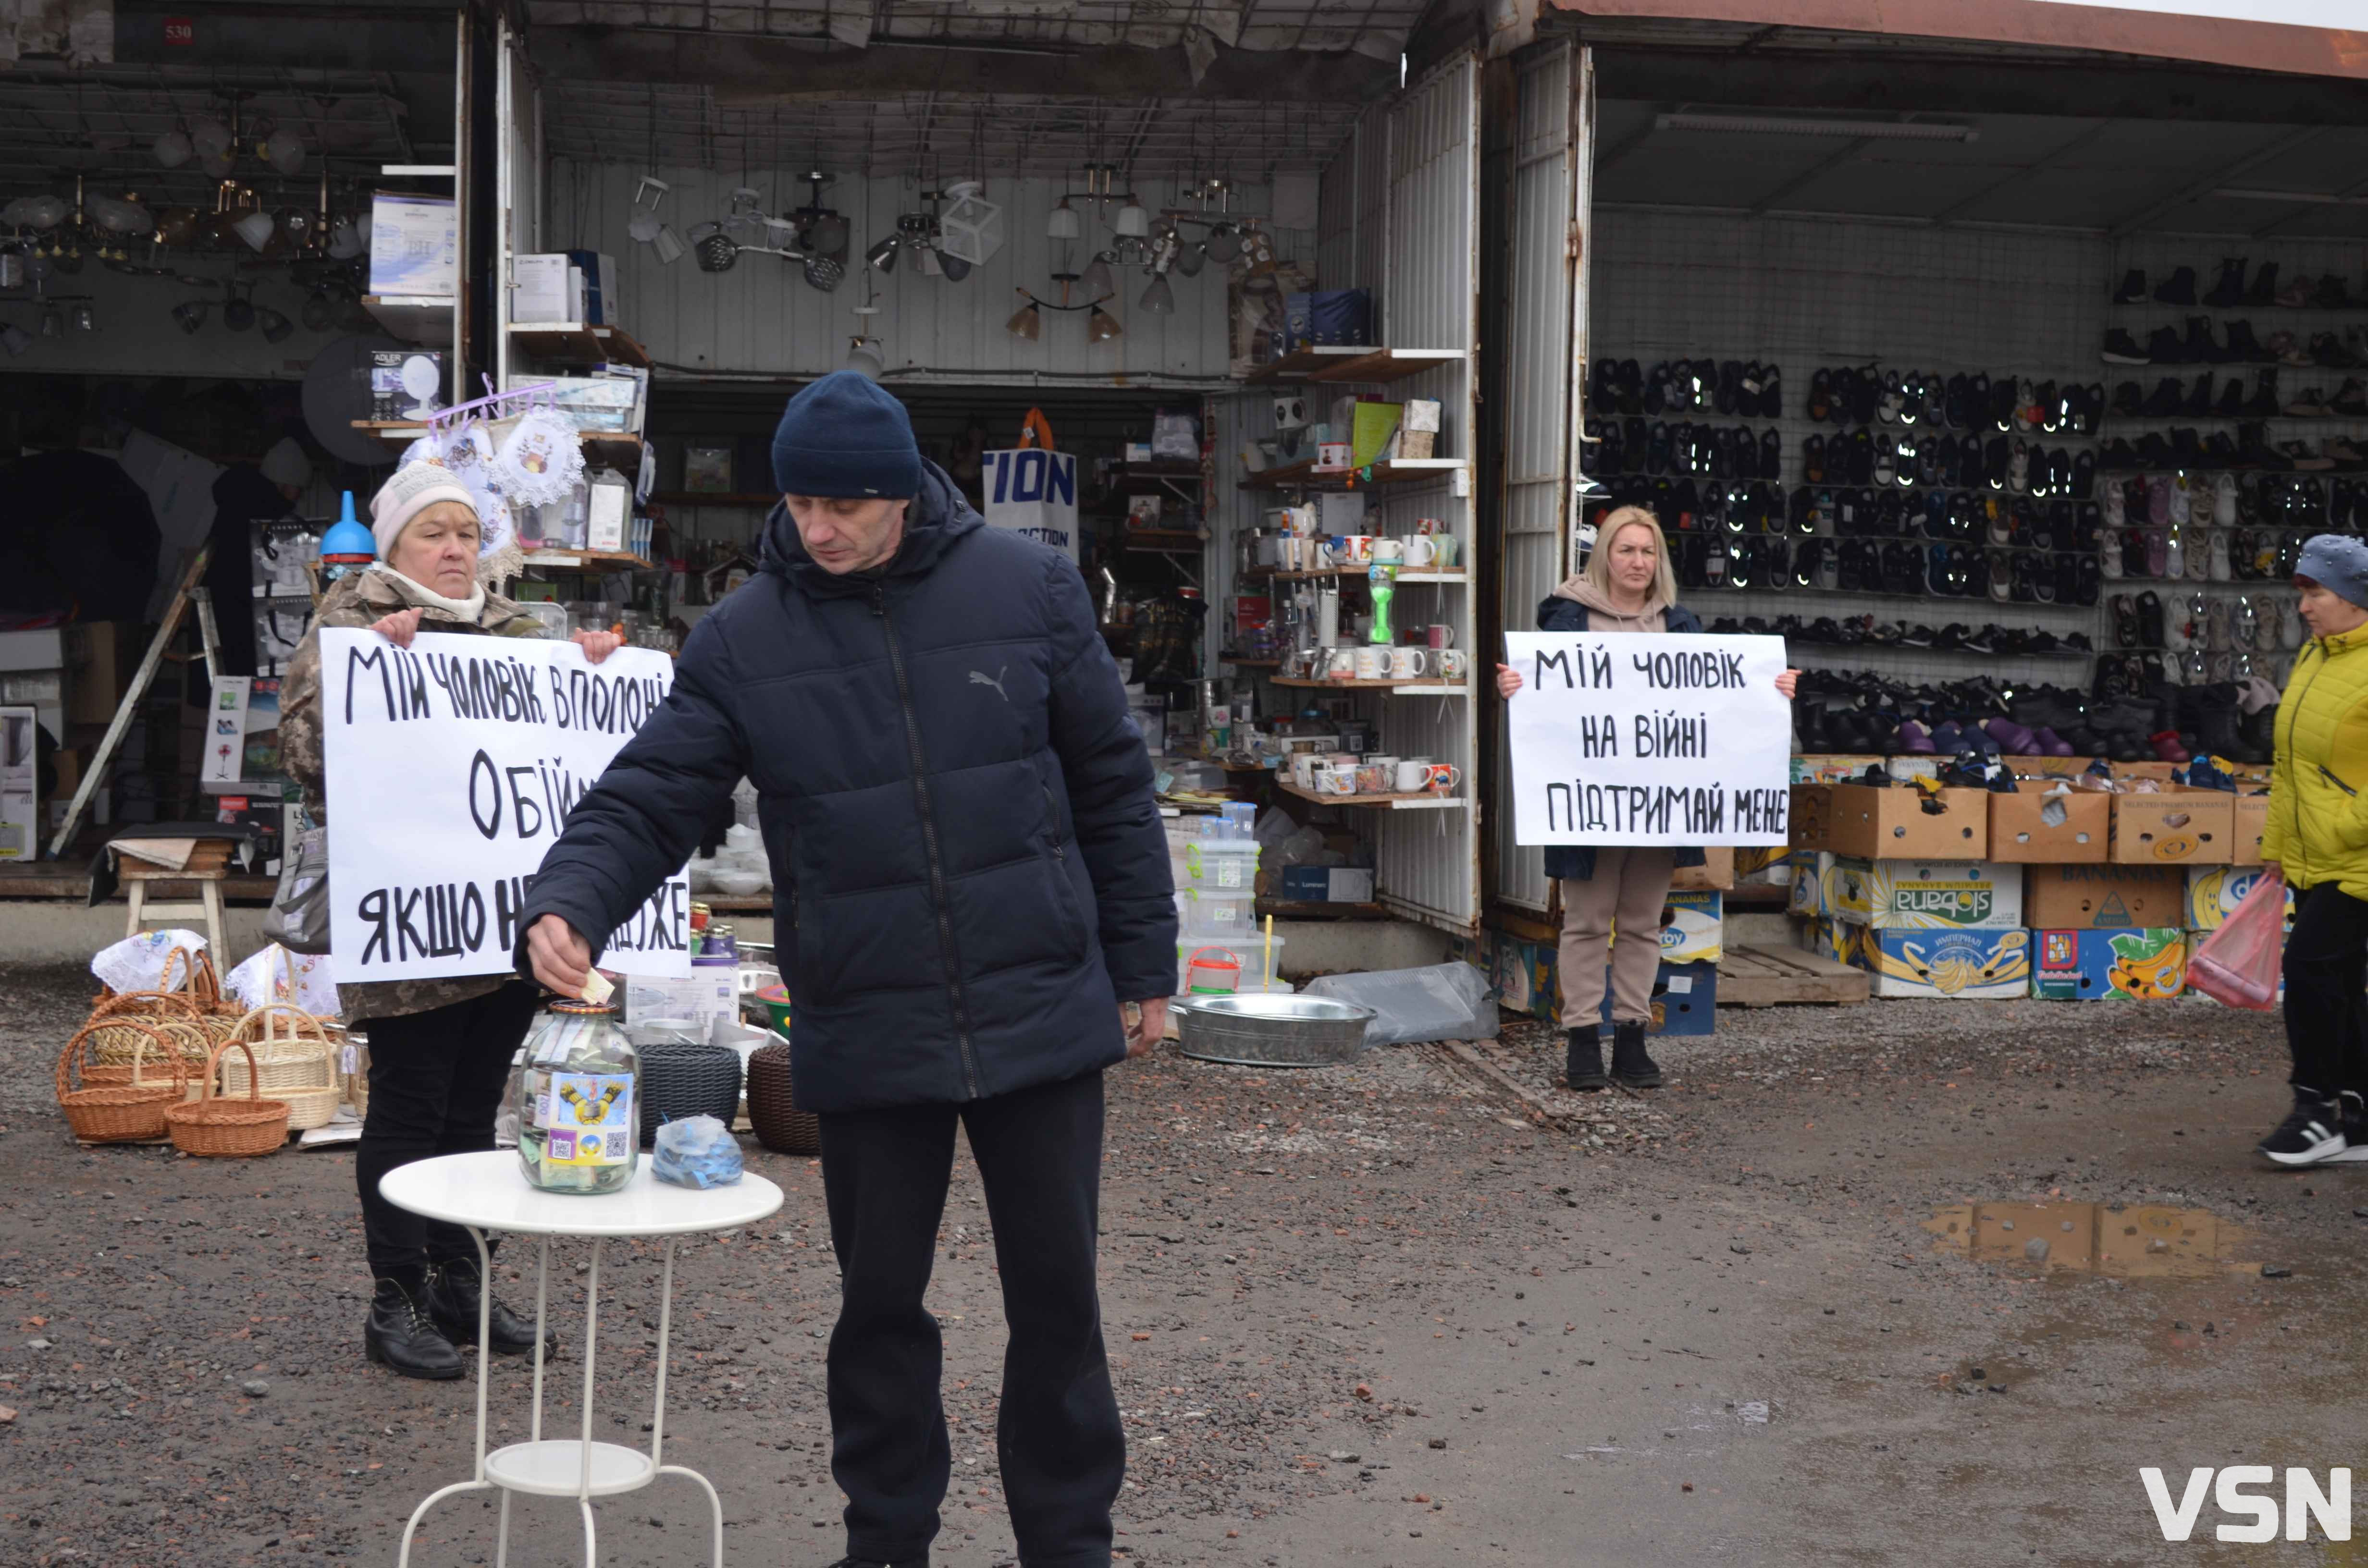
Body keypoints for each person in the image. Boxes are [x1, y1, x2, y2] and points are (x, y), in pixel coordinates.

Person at [514, 371, 1177, 1568]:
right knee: (878, 1312)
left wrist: (1146, 965)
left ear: (905, 494)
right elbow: (656, 793)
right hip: (867, 1018)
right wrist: (574, 896)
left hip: (1036, 1000)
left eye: (846, 506)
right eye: (802, 503)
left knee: (1059, 1306)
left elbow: (1115, 789)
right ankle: (885, 1542)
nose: (818, 528)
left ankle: (1071, 1544)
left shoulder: (1027, 590)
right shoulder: (743, 636)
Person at [280, 462, 623, 1379]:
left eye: (466, 533)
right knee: (410, 1106)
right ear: (393, 545)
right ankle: (393, 1296)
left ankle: (461, 1280)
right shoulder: (350, 629)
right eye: (433, 532)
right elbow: (308, 757)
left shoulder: (519, 632)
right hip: (415, 931)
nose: (455, 549)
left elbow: (571, 748)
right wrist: (385, 667)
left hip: (504, 924)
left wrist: (591, 671)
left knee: (477, 1107)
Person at [1495, 505, 1798, 1092]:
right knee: (1585, 922)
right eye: (1626, 549)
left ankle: (1631, 1037)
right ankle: (1583, 1039)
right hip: (1590, 806)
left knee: (1640, 924)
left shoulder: (1679, 625)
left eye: (1648, 551)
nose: (1637, 561)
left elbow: (1719, 703)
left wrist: (1772, 688)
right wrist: (1515, 688)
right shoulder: (1563, 621)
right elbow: (1542, 700)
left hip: (1659, 808)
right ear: (1603, 554)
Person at [2254, 533, 2368, 1165]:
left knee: (2309, 970)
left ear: (2355, 596)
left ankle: (2315, 1109)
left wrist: (2342, 829)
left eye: (2316, 591)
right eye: (2301, 591)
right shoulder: (2317, 658)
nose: (2303, 606)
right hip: (2313, 858)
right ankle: (2359, 1119)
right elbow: (2290, 763)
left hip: (2356, 860)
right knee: (2344, 982)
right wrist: (2279, 844)